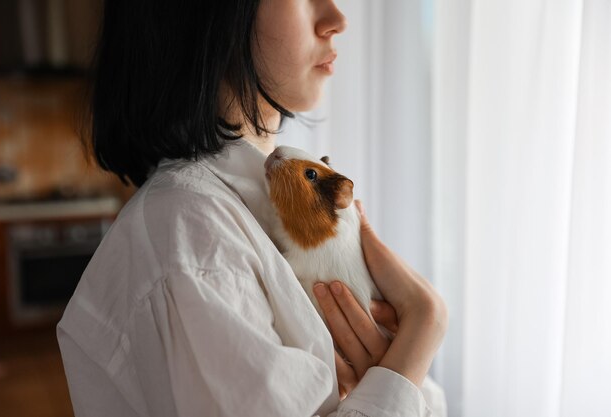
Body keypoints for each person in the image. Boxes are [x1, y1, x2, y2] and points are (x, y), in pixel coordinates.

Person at [57, 0, 449, 416]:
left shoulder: (269, 210)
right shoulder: (192, 243)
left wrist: (385, 379)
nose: (337, 19)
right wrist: (421, 335)